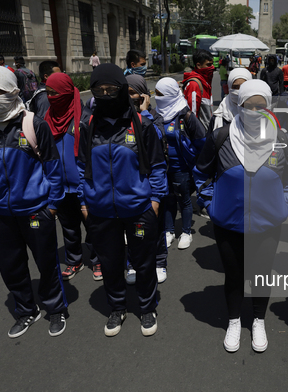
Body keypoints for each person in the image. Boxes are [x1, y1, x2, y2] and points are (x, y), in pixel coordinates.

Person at [195, 79, 288, 353]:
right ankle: (233, 320)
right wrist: (211, 203)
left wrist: (284, 204)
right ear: (239, 105)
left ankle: (258, 320)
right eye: (248, 106)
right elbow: (201, 173)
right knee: (234, 274)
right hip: (228, 224)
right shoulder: (222, 137)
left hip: (268, 225)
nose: (254, 111)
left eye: (260, 106)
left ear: (269, 107)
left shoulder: (281, 139)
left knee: (261, 275)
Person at [0, 65, 67, 338]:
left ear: (13, 91)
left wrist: (52, 205)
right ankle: (26, 310)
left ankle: (55, 308)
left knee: (47, 262)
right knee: (10, 266)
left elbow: (52, 167)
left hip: (36, 209)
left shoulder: (33, 124)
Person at [77, 63, 167, 337]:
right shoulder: (88, 125)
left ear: (122, 90)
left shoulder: (141, 124)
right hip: (100, 210)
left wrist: (154, 201)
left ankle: (147, 306)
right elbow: (82, 167)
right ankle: (117, 307)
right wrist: (84, 202)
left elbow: (158, 167)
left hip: (138, 209)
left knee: (143, 261)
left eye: (111, 89)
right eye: (99, 90)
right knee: (111, 262)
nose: (105, 94)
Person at [43, 72, 101, 281]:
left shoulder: (85, 119)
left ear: (67, 93)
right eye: (48, 93)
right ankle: (74, 260)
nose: (51, 97)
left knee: (92, 226)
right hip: (60, 187)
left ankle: (98, 260)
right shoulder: (47, 119)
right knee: (68, 227)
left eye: (55, 93)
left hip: (83, 185)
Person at [126, 74, 169, 283]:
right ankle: (132, 263)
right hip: (129, 185)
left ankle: (160, 261)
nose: (129, 97)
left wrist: (144, 113)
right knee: (130, 232)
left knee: (155, 228)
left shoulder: (155, 116)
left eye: (133, 93)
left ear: (143, 95)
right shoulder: (121, 118)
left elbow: (160, 140)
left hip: (151, 182)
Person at [155, 77, 206, 250]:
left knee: (184, 200)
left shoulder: (186, 115)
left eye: (161, 94)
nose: (157, 97)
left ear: (170, 94)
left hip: (181, 168)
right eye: (156, 94)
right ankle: (168, 231)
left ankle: (186, 232)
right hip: (162, 168)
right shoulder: (156, 114)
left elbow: (202, 141)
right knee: (167, 200)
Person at [210, 68, 252, 132]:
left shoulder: (259, 115)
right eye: (235, 87)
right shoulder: (219, 117)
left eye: (243, 86)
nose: (239, 91)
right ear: (229, 87)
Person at [182, 49, 214, 130]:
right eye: (208, 65)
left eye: (212, 64)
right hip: (200, 136)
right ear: (199, 65)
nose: (212, 67)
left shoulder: (205, 82)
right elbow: (191, 115)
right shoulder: (194, 84)